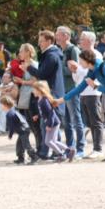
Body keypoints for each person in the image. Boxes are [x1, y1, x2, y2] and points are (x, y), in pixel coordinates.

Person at [25, 30, 66, 160]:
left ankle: (56, 152)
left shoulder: (51, 55)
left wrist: (28, 68)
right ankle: (54, 152)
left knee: (50, 125)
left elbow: (42, 74)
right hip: (50, 92)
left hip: (51, 92)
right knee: (49, 125)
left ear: (49, 41)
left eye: (41, 41)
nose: (39, 44)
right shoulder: (49, 54)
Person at [55, 26, 85, 159]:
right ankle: (70, 148)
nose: (56, 37)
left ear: (66, 36)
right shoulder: (60, 51)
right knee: (66, 121)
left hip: (72, 89)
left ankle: (80, 148)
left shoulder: (73, 50)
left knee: (76, 119)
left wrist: (60, 71)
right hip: (63, 89)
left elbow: (77, 70)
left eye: (58, 34)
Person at [76, 31, 105, 158]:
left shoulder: (96, 55)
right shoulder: (81, 55)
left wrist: (77, 69)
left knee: (96, 121)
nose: (80, 41)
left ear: (89, 41)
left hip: (93, 92)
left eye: (82, 39)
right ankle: (95, 147)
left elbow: (89, 73)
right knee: (89, 121)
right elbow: (78, 75)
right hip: (83, 92)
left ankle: (98, 149)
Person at [33, 81, 74, 162]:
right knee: (54, 141)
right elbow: (44, 112)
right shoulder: (41, 99)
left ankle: (61, 154)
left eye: (34, 89)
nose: (33, 91)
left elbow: (51, 113)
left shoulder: (44, 101)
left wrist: (49, 125)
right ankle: (69, 151)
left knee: (48, 141)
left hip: (53, 123)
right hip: (53, 122)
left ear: (39, 90)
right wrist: (38, 115)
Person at [0, 95, 39, 165]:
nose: (1, 106)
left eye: (1, 105)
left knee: (26, 145)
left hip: (23, 130)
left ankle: (34, 157)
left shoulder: (9, 114)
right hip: (24, 130)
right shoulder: (13, 110)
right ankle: (21, 158)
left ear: (5, 105)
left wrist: (10, 135)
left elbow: (11, 126)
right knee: (19, 145)